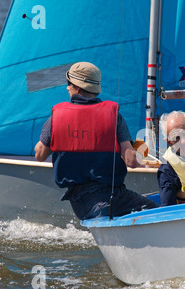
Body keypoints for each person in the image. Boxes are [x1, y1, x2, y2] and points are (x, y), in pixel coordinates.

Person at [35, 62, 158, 220]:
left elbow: (40, 155)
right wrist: (141, 146)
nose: (67, 88)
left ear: (78, 88)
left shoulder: (56, 118)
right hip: (115, 196)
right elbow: (132, 162)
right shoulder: (114, 117)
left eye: (69, 84)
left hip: (81, 202)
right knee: (158, 212)